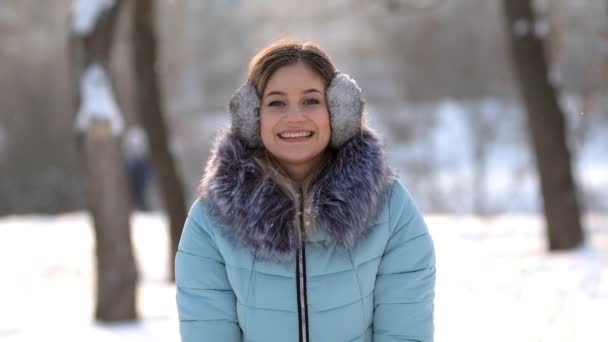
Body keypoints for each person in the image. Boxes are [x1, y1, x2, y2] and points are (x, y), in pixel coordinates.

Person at [175, 39, 436, 342]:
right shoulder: (211, 220)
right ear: (253, 116)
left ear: (339, 113)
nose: (294, 117)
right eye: (276, 102)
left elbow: (405, 332)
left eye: (311, 101)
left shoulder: (391, 208)